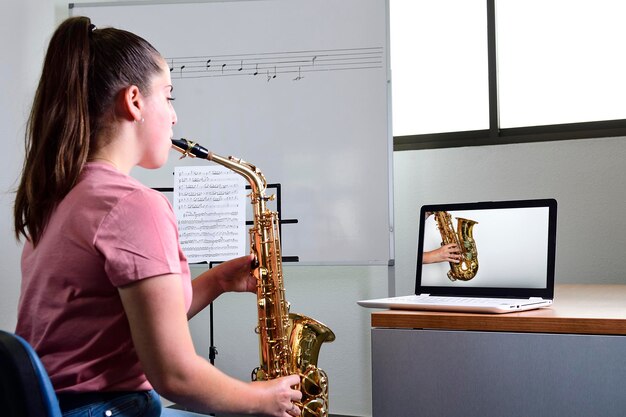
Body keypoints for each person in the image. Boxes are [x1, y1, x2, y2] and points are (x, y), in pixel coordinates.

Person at [13, 16, 301, 417]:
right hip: (113, 408)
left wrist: (216, 281)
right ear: (134, 102)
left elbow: (131, 321)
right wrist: (265, 399)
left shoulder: (61, 196)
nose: (174, 116)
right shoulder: (134, 206)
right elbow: (175, 375)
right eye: (168, 96)